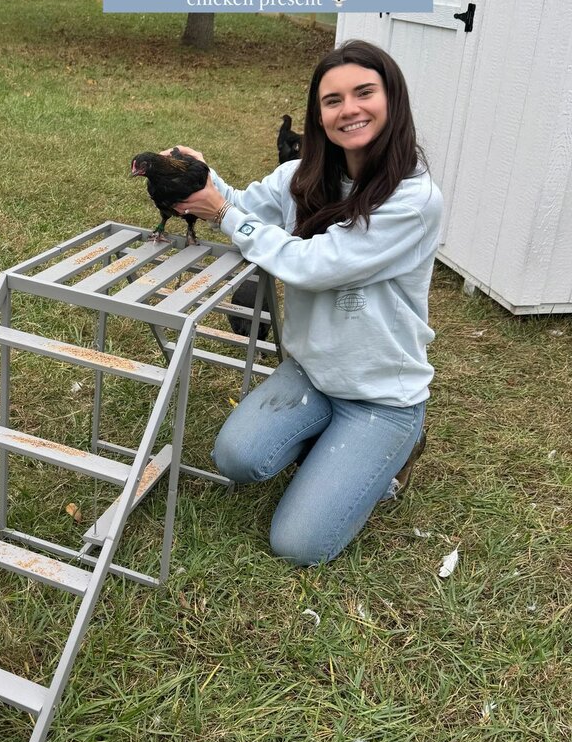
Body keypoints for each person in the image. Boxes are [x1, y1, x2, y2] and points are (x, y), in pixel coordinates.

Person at [167, 40, 443, 567]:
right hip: (312, 373)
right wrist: (201, 176)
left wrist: (223, 213)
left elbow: (314, 266)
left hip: (380, 397)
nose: (349, 109)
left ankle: (395, 452)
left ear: (393, 100)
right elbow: (244, 207)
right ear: (319, 115)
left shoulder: (414, 200)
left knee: (297, 545)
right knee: (237, 458)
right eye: (332, 100)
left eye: (364, 93)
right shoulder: (304, 175)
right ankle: (330, 449)